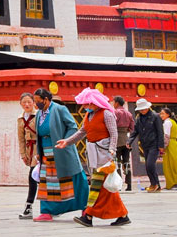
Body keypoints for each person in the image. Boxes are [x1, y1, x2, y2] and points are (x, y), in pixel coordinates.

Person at [68, 88, 129, 227]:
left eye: (86, 104)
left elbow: (114, 134)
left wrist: (112, 150)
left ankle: (88, 216)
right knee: (106, 188)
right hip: (94, 155)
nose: (84, 107)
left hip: (105, 154)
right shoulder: (89, 116)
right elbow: (81, 132)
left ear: (94, 102)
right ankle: (123, 215)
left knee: (97, 185)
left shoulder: (107, 114)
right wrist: (67, 142)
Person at [32, 86, 87, 222]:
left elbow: (72, 126)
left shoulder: (59, 109)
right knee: (48, 183)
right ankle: (47, 211)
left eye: (38, 100)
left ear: (46, 99)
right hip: (46, 152)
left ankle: (85, 207)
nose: (35, 103)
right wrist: (39, 151)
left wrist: (66, 141)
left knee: (75, 178)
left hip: (62, 151)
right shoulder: (39, 113)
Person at [129, 98, 164, 193]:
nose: (142, 111)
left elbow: (160, 132)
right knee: (147, 166)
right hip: (145, 144)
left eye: (143, 109)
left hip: (154, 144)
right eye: (141, 109)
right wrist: (129, 141)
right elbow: (135, 131)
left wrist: (161, 145)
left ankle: (155, 184)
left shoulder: (155, 116)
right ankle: (155, 185)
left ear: (148, 107)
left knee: (150, 165)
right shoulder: (139, 118)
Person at [17, 92, 39, 219]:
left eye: (29, 102)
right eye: (24, 102)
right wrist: (23, 154)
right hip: (29, 150)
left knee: (33, 177)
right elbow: (20, 138)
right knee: (35, 177)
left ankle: (29, 205)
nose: (27, 104)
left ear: (33, 103)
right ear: (20, 104)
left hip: (38, 150)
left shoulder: (38, 116)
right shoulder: (20, 119)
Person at [111, 96, 133, 192]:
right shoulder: (129, 113)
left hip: (117, 139)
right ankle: (129, 184)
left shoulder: (115, 112)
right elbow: (132, 128)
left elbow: (112, 125)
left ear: (116, 103)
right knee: (126, 162)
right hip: (126, 140)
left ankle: (119, 184)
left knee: (117, 163)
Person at [159, 107, 177, 190]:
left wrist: (163, 147)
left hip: (169, 144)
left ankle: (171, 184)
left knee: (169, 165)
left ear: (168, 114)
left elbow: (166, 136)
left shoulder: (167, 123)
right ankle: (173, 183)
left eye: (163, 113)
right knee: (174, 164)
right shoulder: (173, 122)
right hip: (174, 143)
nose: (161, 115)